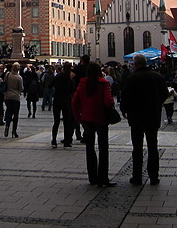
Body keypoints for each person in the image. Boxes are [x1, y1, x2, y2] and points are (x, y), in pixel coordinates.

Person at [120, 54, 168, 185]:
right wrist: (157, 103)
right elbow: (165, 94)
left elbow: (125, 97)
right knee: (153, 146)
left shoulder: (132, 78)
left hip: (136, 117)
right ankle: (154, 176)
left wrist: (125, 110)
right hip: (152, 116)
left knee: (137, 148)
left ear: (135, 64)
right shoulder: (157, 77)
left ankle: (137, 176)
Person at [72, 62, 116, 187]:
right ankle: (103, 178)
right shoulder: (103, 83)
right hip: (101, 119)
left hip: (87, 119)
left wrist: (79, 118)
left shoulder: (82, 83)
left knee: (90, 148)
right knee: (103, 149)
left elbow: (75, 102)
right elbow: (109, 101)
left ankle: (92, 177)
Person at [51, 62, 75, 148]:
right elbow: (72, 90)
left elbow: (50, 85)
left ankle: (54, 140)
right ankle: (66, 141)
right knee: (66, 122)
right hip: (66, 101)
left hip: (57, 100)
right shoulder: (70, 78)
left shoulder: (58, 76)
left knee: (56, 121)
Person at [3, 62, 24, 138]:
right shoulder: (19, 78)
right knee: (15, 114)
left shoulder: (8, 75)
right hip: (15, 97)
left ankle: (7, 126)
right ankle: (14, 131)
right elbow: (21, 88)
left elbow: (4, 83)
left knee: (8, 111)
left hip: (8, 97)